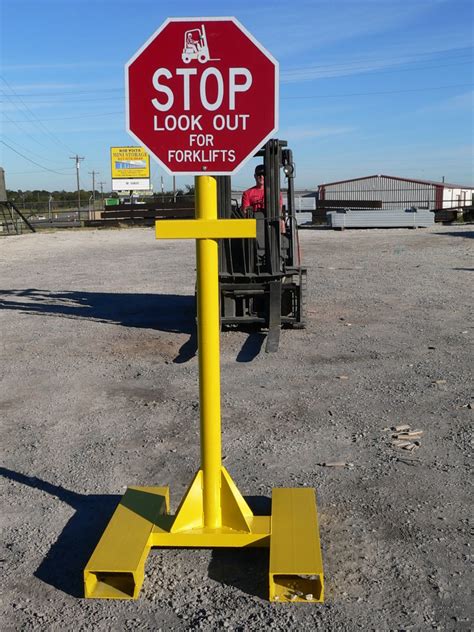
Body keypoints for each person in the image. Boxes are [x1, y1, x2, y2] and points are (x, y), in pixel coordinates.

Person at [241, 165, 285, 232]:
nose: (261, 177)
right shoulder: (247, 193)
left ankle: (280, 239)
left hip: (271, 222)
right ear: (255, 176)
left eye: (263, 174)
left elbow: (279, 209)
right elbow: (245, 212)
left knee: (281, 222)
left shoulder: (276, 193)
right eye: (259, 174)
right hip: (255, 224)